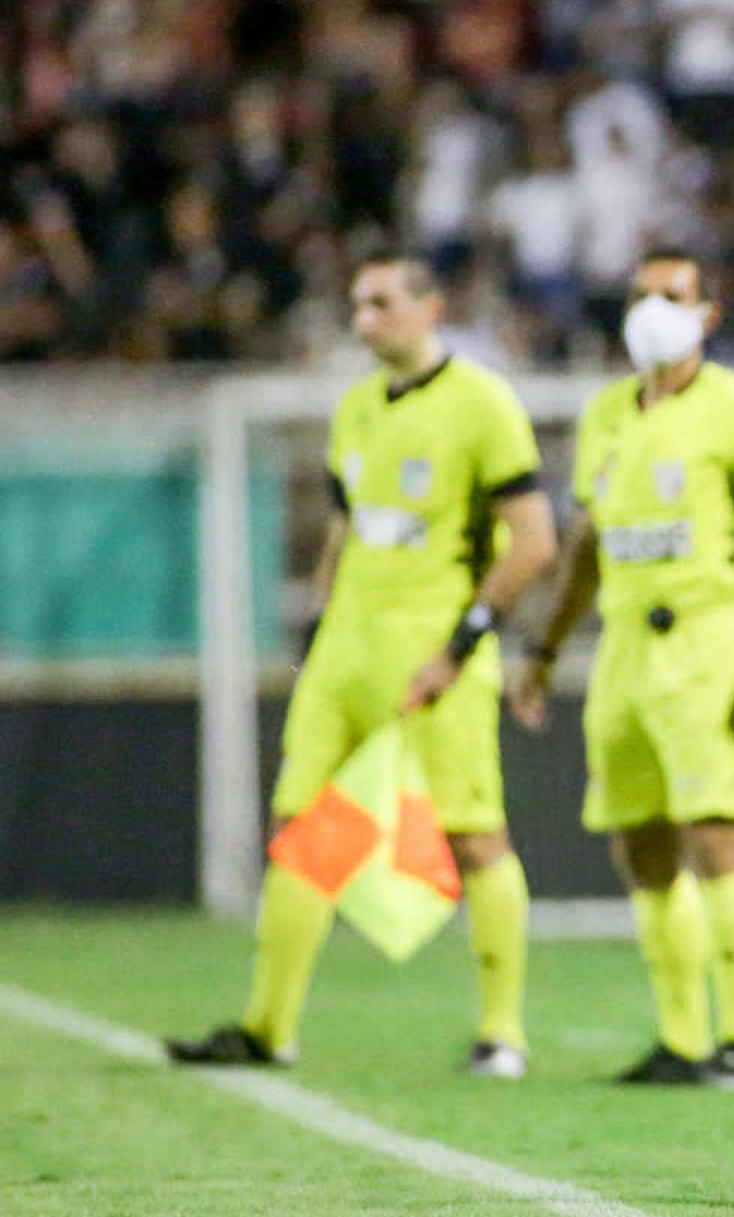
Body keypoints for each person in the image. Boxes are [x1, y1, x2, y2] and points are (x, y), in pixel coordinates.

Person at [168, 253, 557, 1077]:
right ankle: (267, 1028)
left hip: (431, 647)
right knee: (302, 829)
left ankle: (503, 1034)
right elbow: (348, 530)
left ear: (430, 307)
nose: (363, 319)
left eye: (380, 302)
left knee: (474, 834)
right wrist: (317, 627)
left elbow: (534, 541)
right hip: (346, 647)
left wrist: (461, 645)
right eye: (356, 304)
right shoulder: (355, 409)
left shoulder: (483, 404)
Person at [510, 247, 734, 1088]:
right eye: (639, 293)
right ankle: (680, 1039)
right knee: (638, 843)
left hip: (708, 638)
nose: (650, 309)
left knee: (714, 833)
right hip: (622, 646)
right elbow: (587, 544)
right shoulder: (608, 411)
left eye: (671, 294)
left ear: (707, 314)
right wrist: (543, 648)